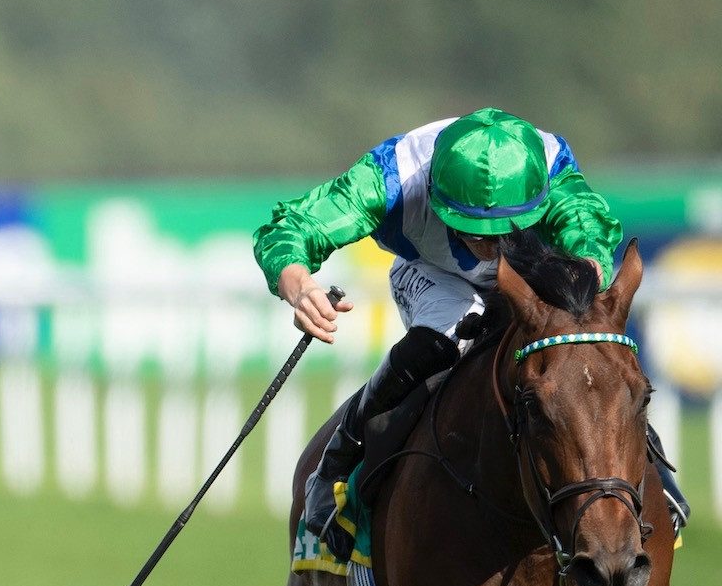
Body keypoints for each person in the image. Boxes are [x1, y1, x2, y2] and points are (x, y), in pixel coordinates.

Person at [254, 106, 687, 543]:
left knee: (583, 355)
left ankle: (652, 467)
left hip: (534, 266)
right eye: (473, 231)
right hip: (431, 271)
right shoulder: (391, 175)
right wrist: (300, 286)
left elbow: (587, 227)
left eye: (500, 231)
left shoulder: (549, 166)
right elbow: (293, 226)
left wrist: (581, 281)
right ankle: (336, 463)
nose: (488, 245)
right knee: (445, 339)